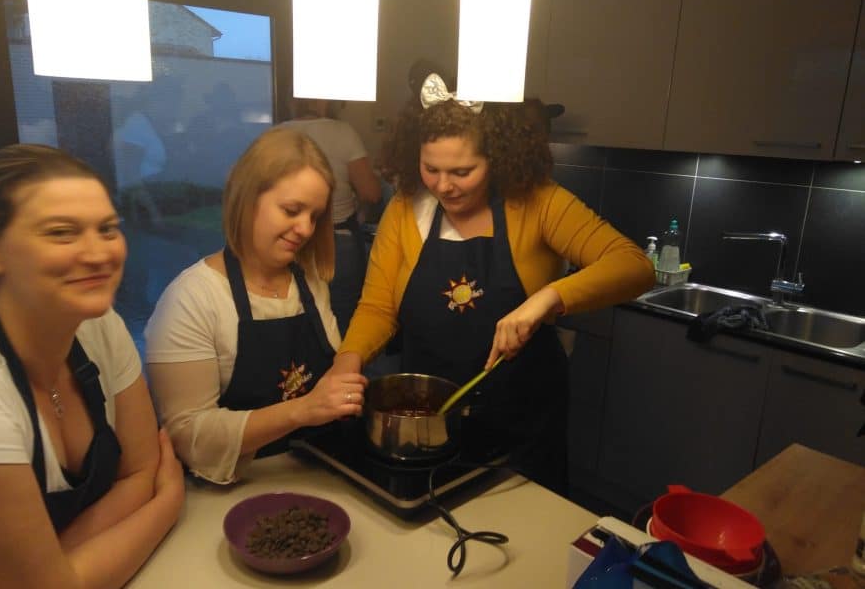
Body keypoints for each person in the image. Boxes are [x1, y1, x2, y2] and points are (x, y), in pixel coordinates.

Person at [325, 73, 656, 494]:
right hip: (431, 420)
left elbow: (634, 265)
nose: (443, 185)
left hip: (522, 419)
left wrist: (548, 298)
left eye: (462, 171)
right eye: (431, 168)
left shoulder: (537, 201)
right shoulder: (407, 207)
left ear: (497, 157)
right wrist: (346, 364)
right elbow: (377, 306)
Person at [0, 144, 184, 588]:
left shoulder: (98, 325)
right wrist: (167, 504)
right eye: (61, 233)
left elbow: (140, 470)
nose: (98, 254)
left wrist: (56, 563)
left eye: (107, 229)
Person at [144, 127, 368, 485]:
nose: (305, 229)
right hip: (233, 491)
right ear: (247, 198)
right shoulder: (191, 300)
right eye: (291, 210)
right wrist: (301, 410)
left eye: (314, 216)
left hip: (315, 475)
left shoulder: (309, 283)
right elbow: (188, 437)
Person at [280, 98, 382, 335]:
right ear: (325, 101)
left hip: (291, 240)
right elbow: (371, 192)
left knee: (295, 316)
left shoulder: (277, 135)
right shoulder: (343, 132)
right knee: (343, 321)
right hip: (338, 240)